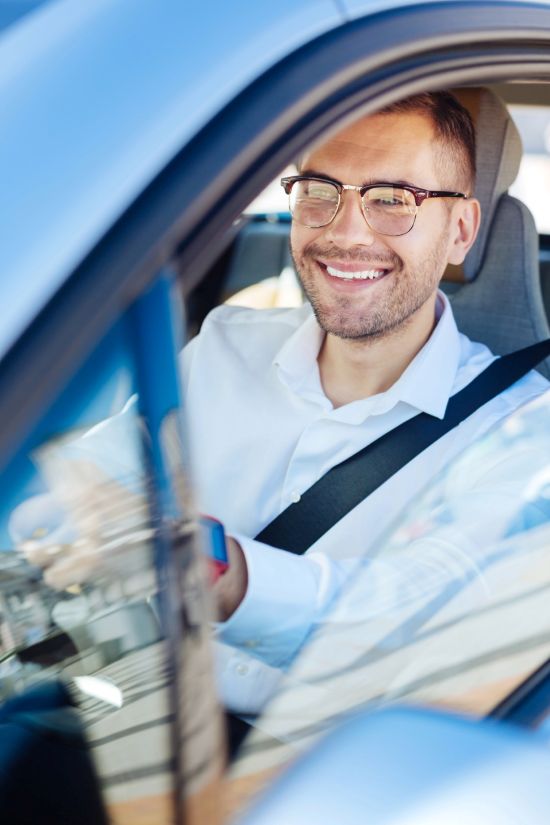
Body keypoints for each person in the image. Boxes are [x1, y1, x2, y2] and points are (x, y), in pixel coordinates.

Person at [180, 91, 549, 714]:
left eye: (392, 200)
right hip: (134, 733)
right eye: (320, 190)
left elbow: (417, 613)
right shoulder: (222, 346)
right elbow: (84, 483)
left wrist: (223, 573)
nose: (345, 233)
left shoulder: (525, 431)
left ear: (460, 231)